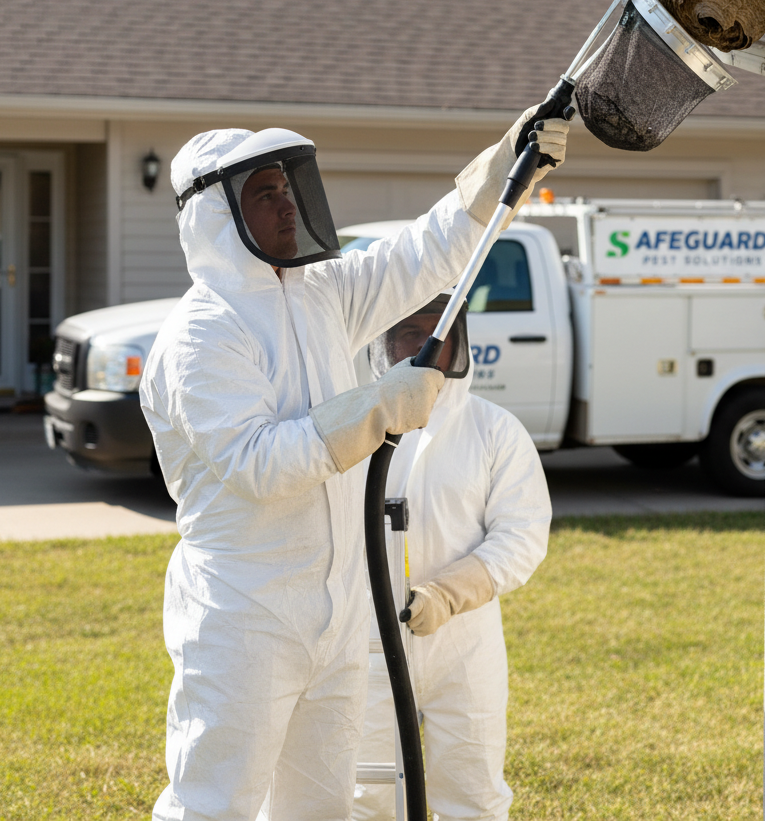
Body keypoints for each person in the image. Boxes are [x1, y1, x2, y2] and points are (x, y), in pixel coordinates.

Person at [139, 112, 568, 821]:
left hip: (337, 615)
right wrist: (377, 406)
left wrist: (496, 176)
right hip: (243, 615)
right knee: (215, 803)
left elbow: (423, 257)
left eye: (285, 188)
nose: (285, 204)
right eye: (262, 193)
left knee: (323, 805)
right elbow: (257, 464)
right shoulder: (201, 334)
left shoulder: (321, 295)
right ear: (215, 215)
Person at [352, 294, 551, 821]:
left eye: (434, 331)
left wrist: (447, 593)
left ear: (459, 343)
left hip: (465, 645)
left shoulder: (495, 430)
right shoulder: (353, 426)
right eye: (406, 335)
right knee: (367, 795)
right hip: (366, 642)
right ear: (382, 346)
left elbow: (523, 535)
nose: (423, 345)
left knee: (472, 795)